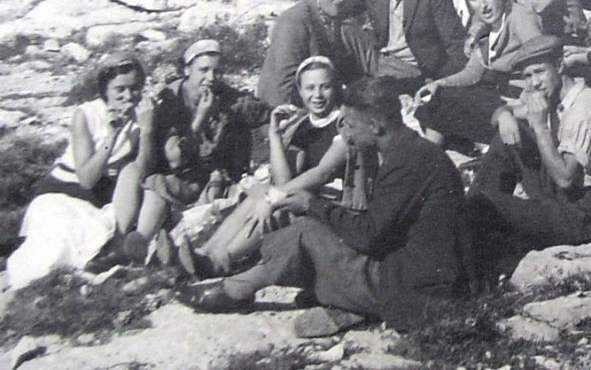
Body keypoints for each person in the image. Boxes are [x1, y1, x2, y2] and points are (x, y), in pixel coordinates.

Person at [179, 77, 469, 335]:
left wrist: (312, 204)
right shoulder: (410, 150)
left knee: (306, 230)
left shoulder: (405, 163)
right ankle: (252, 284)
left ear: (375, 125)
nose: (347, 134)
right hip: (411, 269)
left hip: (412, 288)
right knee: (316, 229)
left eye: (351, 126)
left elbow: (370, 236)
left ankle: (237, 289)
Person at [179, 57, 358, 278]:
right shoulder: (301, 124)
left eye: (325, 87)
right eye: (310, 88)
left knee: (273, 204)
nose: (317, 95)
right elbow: (283, 180)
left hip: (332, 203)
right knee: (258, 195)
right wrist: (275, 135)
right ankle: (206, 252)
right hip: (301, 195)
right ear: (300, 91)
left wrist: (273, 197)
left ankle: (220, 261)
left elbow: (322, 172)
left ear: (336, 88)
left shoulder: (345, 124)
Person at [467, 36, 591, 273]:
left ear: (560, 65)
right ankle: (468, 216)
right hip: (570, 196)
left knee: (489, 203)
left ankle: (473, 219)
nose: (534, 83)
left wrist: (540, 126)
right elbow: (505, 112)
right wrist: (504, 115)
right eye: (527, 76)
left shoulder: (583, 108)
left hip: (589, 212)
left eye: (539, 72)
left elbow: (565, 179)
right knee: (507, 138)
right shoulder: (556, 97)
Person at [8, 54, 157, 289]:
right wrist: (111, 137)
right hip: (64, 190)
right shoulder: (87, 114)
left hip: (103, 193)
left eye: (135, 88)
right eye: (120, 89)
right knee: (59, 246)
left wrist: (147, 130)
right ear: (105, 89)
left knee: (96, 236)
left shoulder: (144, 115)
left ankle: (114, 251)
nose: (128, 95)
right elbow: (86, 178)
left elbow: (143, 168)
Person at [128, 39, 268, 261]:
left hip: (214, 179)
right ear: (187, 70)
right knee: (157, 183)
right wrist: (201, 117)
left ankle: (180, 252)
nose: (210, 78)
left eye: (216, 71)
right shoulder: (171, 100)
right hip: (180, 176)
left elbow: (262, 112)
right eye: (204, 70)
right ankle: (141, 242)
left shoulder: (225, 95)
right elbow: (175, 159)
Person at [414, 0, 544, 147]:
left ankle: (432, 152)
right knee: (439, 96)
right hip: (497, 97)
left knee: (454, 100)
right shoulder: (485, 28)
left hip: (522, 100)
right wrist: (439, 83)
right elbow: (472, 73)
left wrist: (516, 107)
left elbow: (542, 65)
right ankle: (431, 151)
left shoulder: (520, 17)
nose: (483, 5)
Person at [343, 0, 468, 95]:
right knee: (343, 26)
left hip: (413, 69)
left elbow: (455, 42)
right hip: (379, 58)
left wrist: (444, 82)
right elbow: (343, 9)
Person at [257, 0, 377, 108]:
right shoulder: (294, 21)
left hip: (319, 103)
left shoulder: (340, 18)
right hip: (284, 109)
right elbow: (284, 85)